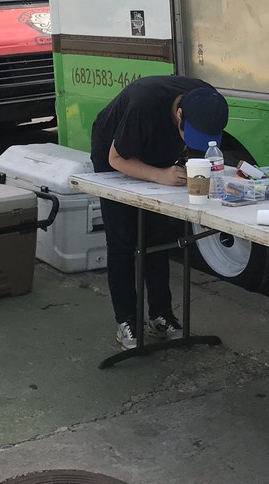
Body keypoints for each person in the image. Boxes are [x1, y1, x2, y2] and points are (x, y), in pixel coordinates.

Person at [90, 76, 229, 350]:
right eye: (189, 134)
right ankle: (127, 321)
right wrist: (159, 175)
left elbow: (203, 154)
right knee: (123, 238)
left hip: (161, 157)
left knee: (158, 237)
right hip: (116, 154)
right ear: (179, 115)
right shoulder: (144, 104)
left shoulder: (209, 102)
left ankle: (161, 316)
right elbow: (115, 158)